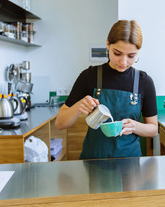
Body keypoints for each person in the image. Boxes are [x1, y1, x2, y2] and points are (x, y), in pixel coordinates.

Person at [55, 20, 158, 159]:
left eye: (131, 56)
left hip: (129, 164)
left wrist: (135, 126)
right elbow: (60, 123)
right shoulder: (89, 76)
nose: (123, 62)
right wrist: (80, 105)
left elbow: (153, 129)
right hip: (94, 161)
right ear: (108, 44)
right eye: (117, 53)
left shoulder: (144, 82)